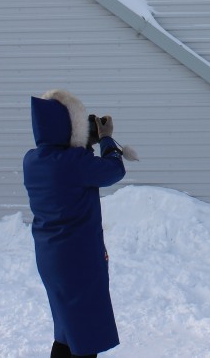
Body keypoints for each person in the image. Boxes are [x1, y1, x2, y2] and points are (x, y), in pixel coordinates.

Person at [23, 89, 129, 358]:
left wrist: (83, 145)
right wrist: (106, 139)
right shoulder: (73, 163)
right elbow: (114, 170)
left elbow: (71, 169)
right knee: (85, 335)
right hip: (78, 260)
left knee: (67, 332)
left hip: (51, 258)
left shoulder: (33, 160)